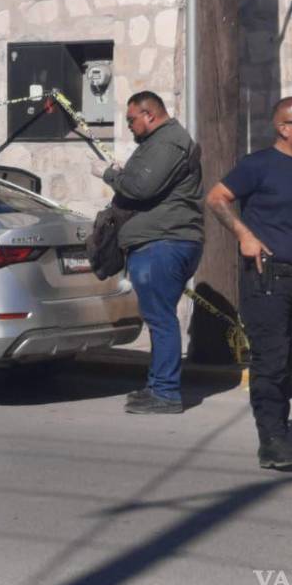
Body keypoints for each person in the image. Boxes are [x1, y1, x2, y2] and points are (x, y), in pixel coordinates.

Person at [205, 96, 292, 469]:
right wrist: (244, 234)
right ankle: (272, 441)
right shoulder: (257, 165)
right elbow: (216, 198)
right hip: (268, 278)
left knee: (291, 357)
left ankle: (280, 430)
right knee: (271, 358)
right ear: (283, 128)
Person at [97, 91, 204, 414]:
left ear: (149, 115)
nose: (129, 125)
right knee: (159, 318)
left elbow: (141, 187)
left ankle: (166, 393)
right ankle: (157, 386)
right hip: (161, 241)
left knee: (161, 319)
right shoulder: (161, 142)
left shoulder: (168, 142)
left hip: (163, 242)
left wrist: (109, 174)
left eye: (132, 119)